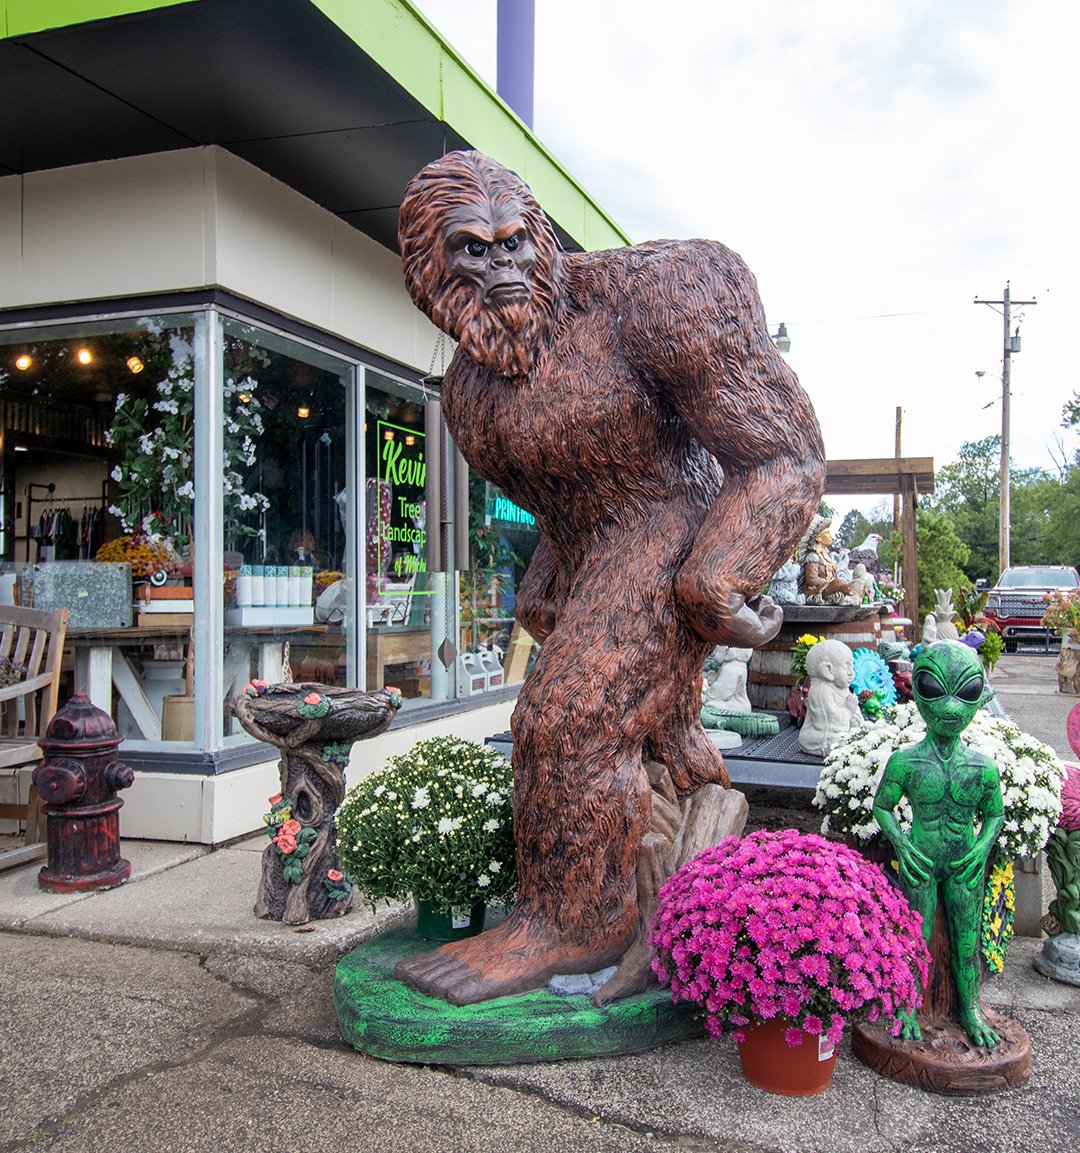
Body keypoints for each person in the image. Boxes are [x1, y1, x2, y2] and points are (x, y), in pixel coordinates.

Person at [871, 641, 1004, 1048]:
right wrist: (900, 844)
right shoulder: (905, 762)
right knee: (917, 937)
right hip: (921, 859)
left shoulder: (982, 766)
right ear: (916, 693)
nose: (949, 708)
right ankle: (908, 1006)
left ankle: (970, 1008)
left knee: (967, 941)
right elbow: (883, 806)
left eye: (964, 693)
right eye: (933, 689)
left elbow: (994, 814)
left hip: (964, 861)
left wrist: (981, 849)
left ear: (979, 697)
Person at [799, 640, 861, 756]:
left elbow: (855, 713)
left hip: (839, 729)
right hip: (820, 734)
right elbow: (827, 722)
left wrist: (855, 719)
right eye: (846, 666)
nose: (851, 673)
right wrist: (848, 711)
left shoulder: (843, 687)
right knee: (835, 740)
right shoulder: (821, 691)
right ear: (827, 670)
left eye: (851, 666)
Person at [797, 515, 864, 605]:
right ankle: (847, 596)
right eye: (827, 533)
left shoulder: (827, 556)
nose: (830, 536)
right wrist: (830, 583)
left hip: (831, 586)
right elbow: (811, 580)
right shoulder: (813, 556)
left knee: (859, 583)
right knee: (838, 582)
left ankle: (851, 598)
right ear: (819, 538)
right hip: (816, 590)